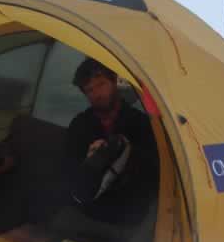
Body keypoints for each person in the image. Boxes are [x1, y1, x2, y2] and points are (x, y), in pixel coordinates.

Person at [65, 57, 159, 224]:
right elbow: (68, 169)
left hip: (129, 213)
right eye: (89, 90)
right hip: (87, 209)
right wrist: (89, 161)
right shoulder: (80, 124)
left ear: (114, 81)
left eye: (101, 85)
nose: (97, 95)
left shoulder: (141, 123)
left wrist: (123, 154)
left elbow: (153, 173)